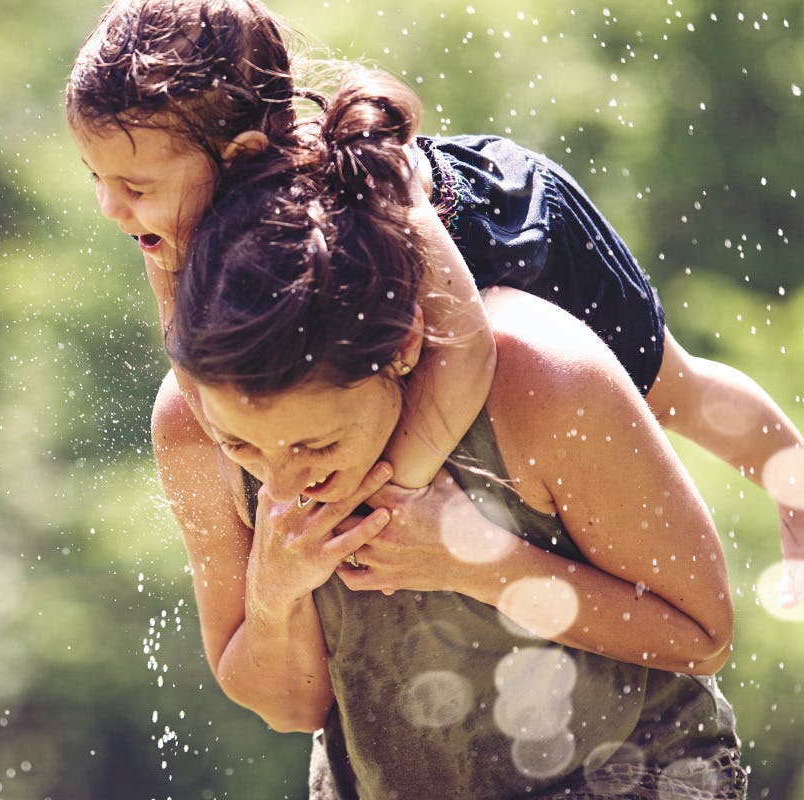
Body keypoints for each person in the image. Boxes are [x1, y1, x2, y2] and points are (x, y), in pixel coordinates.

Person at [66, 0, 804, 612]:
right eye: (95, 177)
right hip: (376, 298)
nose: (109, 205)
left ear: (241, 153)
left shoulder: (370, 176)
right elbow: (186, 351)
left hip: (508, 242)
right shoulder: (169, 222)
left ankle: (791, 472)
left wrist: (389, 496)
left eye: (134, 187)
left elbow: (468, 349)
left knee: (675, 390)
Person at [163, 67, 747, 798]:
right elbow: (294, 707)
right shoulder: (191, 425)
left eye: (315, 445)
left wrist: (476, 561)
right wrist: (275, 590)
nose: (282, 482)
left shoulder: (540, 378)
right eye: (245, 448)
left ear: (404, 348)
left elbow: (702, 633)